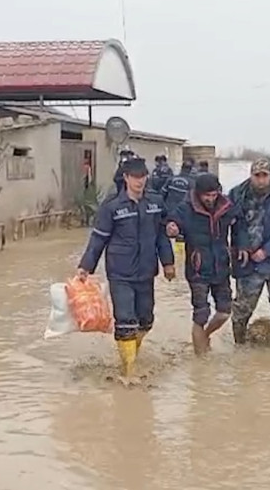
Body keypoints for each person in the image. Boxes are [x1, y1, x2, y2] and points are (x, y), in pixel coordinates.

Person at [77, 157, 176, 378]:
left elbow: (161, 236)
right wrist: (86, 267)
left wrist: (168, 263)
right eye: (135, 177)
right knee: (125, 320)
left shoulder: (155, 202)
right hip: (120, 272)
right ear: (126, 178)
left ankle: (132, 350)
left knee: (146, 320)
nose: (139, 181)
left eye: (142, 177)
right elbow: (98, 239)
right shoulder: (112, 206)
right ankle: (129, 370)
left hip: (146, 271)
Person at [165, 173, 242, 356]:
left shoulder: (226, 206)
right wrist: (172, 228)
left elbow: (240, 227)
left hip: (221, 267)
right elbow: (171, 222)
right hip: (197, 269)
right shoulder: (186, 208)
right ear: (198, 194)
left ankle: (206, 335)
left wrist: (241, 248)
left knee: (224, 311)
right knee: (201, 315)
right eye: (206, 195)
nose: (210, 199)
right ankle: (200, 364)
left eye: (214, 195)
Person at [228, 158, 270, 345]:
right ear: (251, 175)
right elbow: (232, 224)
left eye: (264, 176)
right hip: (247, 262)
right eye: (256, 175)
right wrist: (242, 247)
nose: (260, 180)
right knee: (242, 310)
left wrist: (266, 251)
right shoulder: (236, 194)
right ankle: (239, 345)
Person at [161, 161, 194, 256]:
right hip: (183, 214)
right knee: (181, 238)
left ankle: (169, 255)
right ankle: (179, 255)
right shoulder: (192, 182)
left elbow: (162, 194)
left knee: (167, 237)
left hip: (169, 212)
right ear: (190, 170)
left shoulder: (171, 179)